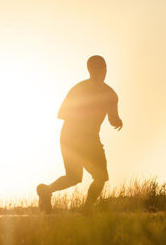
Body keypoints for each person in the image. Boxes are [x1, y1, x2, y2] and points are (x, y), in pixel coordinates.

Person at [36, 55, 123, 212]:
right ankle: (82, 208)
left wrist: (117, 121)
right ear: (89, 70)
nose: (101, 72)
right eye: (97, 69)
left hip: (91, 139)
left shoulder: (111, 95)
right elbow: (62, 113)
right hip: (71, 137)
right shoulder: (79, 89)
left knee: (96, 177)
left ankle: (50, 193)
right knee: (76, 176)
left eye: (103, 69)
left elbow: (113, 118)